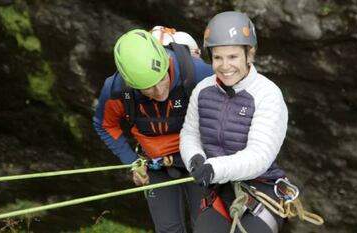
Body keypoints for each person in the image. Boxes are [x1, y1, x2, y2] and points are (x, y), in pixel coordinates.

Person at [93, 29, 214, 233]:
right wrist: (132, 162)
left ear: (166, 61)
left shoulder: (198, 73)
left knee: (206, 227)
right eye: (148, 88)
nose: (159, 92)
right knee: (168, 229)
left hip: (198, 158)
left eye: (161, 79)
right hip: (156, 164)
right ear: (130, 83)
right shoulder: (116, 89)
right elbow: (105, 125)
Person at [180, 11, 289, 233]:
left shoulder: (267, 94)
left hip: (261, 187)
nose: (224, 65)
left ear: (250, 55)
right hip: (220, 190)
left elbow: (260, 156)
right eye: (217, 57)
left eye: (233, 57)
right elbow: (190, 133)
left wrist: (214, 168)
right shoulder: (203, 90)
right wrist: (196, 159)